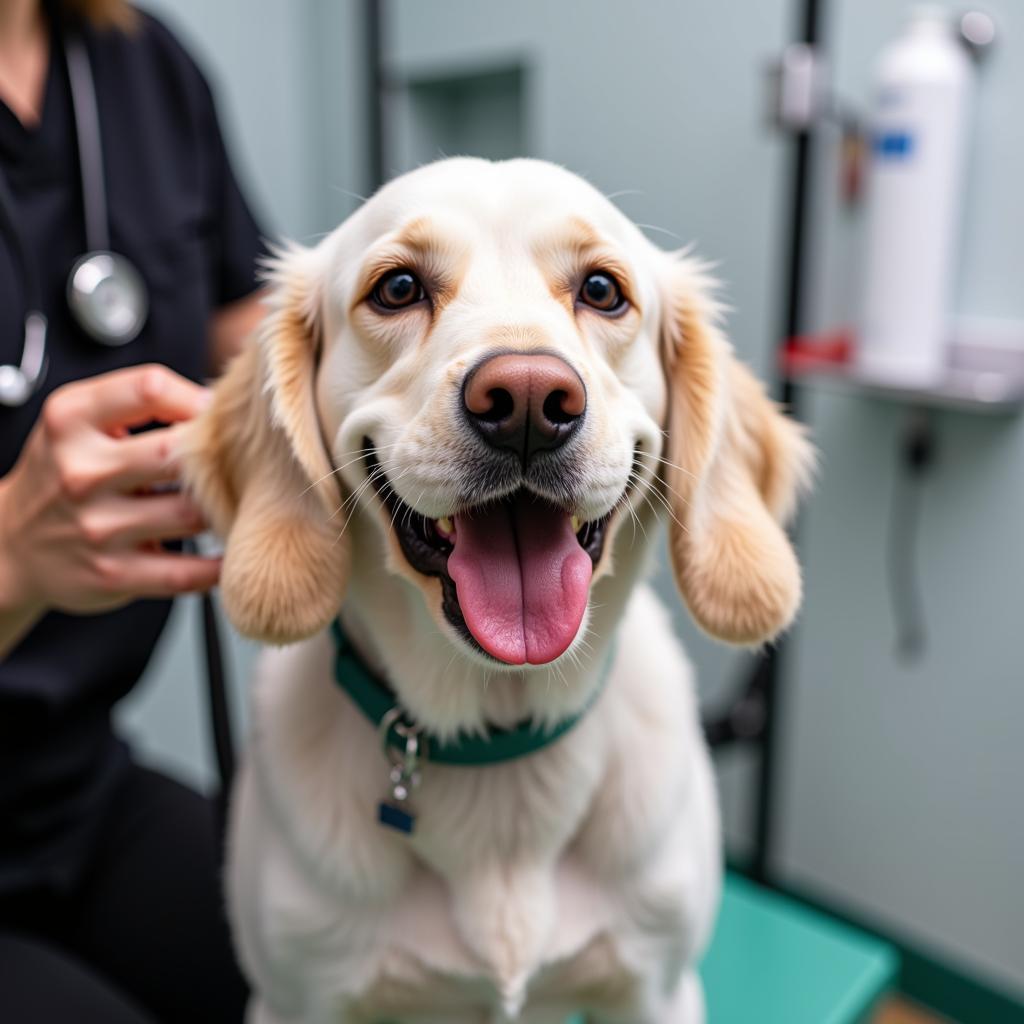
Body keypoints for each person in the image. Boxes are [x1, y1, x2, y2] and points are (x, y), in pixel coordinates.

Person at [0, 0, 267, 1019]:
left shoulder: (144, 65)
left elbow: (263, 350)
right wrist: (11, 556)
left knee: (355, 971)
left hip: (81, 790)